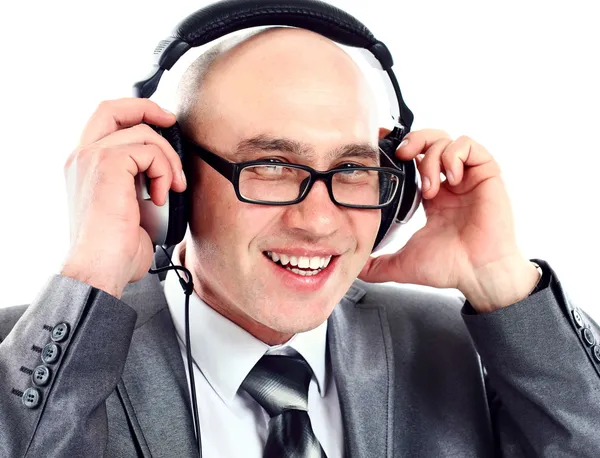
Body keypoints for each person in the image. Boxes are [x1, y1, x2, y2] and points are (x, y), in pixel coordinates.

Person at [1, 19, 599, 458]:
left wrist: (503, 280)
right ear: (170, 175)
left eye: (353, 169)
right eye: (270, 165)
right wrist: (91, 272)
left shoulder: (471, 349)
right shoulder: (32, 362)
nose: (317, 221)